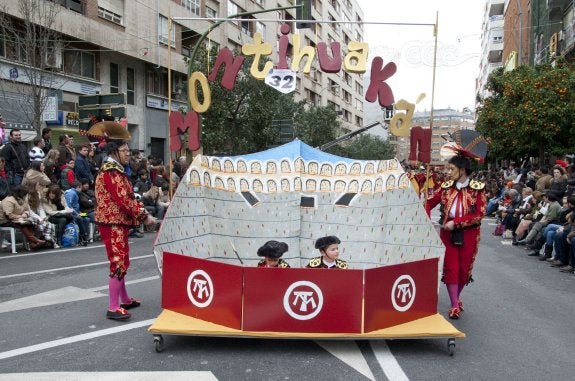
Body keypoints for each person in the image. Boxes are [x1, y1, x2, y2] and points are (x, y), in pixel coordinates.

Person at [95, 138, 157, 321]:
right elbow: (124, 200)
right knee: (118, 262)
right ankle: (113, 307)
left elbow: (126, 197)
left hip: (116, 221)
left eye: (128, 151)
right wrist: (145, 216)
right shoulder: (111, 171)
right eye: (124, 151)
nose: (128, 154)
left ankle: (124, 299)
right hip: (112, 222)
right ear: (114, 152)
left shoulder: (115, 170)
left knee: (122, 260)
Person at [425, 153, 486, 320]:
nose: (448, 172)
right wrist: (426, 219)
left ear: (462, 169)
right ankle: (454, 305)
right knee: (451, 268)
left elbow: (479, 214)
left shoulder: (478, 188)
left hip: (470, 233)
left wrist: (457, 222)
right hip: (447, 232)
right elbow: (428, 202)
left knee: (464, 270)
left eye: (451, 169)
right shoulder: (445, 187)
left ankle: (456, 299)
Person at [0, 185, 46, 250]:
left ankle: (33, 244)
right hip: (5, 220)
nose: (26, 195)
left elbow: (27, 210)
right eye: (25, 194)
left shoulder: (23, 199)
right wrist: (20, 216)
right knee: (22, 224)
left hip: (19, 218)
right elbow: (9, 215)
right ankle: (35, 241)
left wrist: (25, 214)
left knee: (30, 223)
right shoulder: (8, 200)